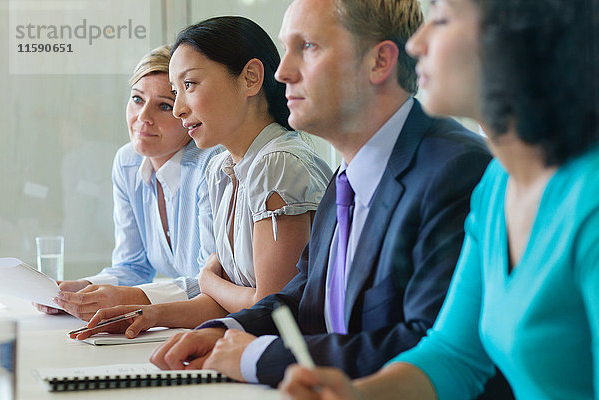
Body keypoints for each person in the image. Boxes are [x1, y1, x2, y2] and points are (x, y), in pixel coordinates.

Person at [147, 0, 502, 393]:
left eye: (308, 47)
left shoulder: (455, 169)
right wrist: (226, 330)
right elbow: (304, 294)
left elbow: (425, 346)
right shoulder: (347, 175)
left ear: (379, 62)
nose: (282, 73)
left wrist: (257, 357)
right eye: (287, 49)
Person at [279, 0, 599, 398]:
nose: (416, 44)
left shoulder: (589, 200)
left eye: (442, 20)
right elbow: (454, 354)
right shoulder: (499, 183)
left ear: (523, 37)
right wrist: (357, 394)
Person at [70, 16, 332, 337]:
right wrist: (147, 315)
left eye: (189, 85)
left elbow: (269, 308)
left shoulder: (277, 164)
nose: (179, 108)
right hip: (249, 343)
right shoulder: (220, 170)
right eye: (177, 91)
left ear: (250, 78)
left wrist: (208, 280)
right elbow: (224, 302)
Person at [38, 45, 222, 321]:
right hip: (177, 322)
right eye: (137, 99)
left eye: (163, 106)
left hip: (210, 323)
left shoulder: (212, 165)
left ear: (187, 112)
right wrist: (83, 289)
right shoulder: (128, 162)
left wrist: (130, 298)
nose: (143, 118)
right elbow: (132, 266)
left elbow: (210, 282)